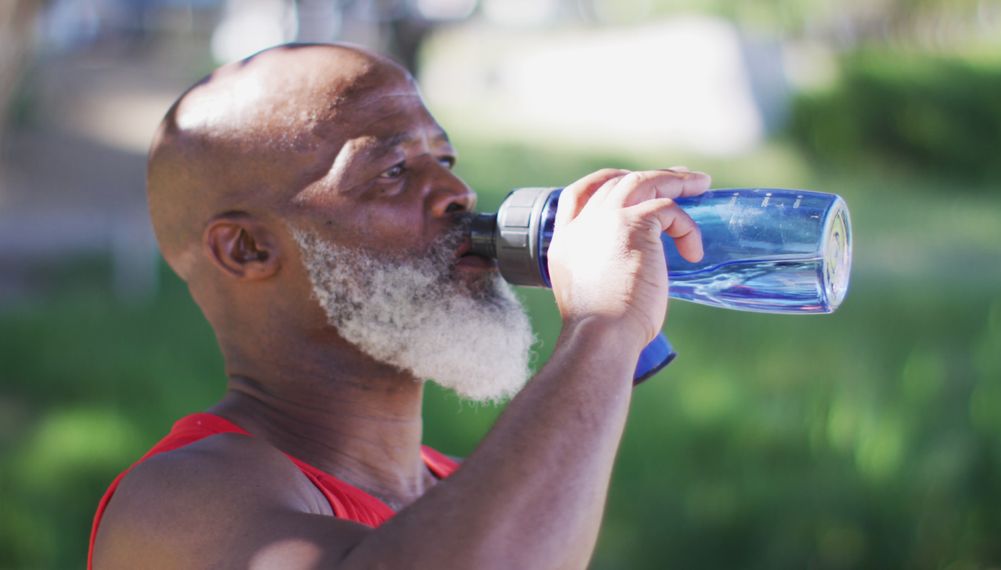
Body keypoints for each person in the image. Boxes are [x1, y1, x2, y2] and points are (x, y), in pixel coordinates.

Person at [89, 42, 709, 569]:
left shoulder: (468, 489)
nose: (458, 193)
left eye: (443, 159)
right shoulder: (178, 502)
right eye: (390, 171)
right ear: (247, 248)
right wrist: (603, 327)